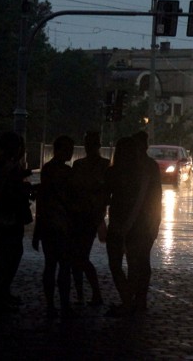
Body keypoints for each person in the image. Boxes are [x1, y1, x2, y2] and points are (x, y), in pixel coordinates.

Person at [104, 132, 162, 317]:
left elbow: (104, 197)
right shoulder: (146, 170)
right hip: (141, 224)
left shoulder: (113, 172)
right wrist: (155, 222)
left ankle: (129, 300)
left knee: (118, 264)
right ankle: (136, 300)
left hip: (119, 223)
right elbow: (156, 197)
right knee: (139, 264)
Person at [0, 131, 33, 314]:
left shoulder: (6, 162)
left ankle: (3, 293)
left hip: (9, 213)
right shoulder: (5, 163)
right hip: (7, 214)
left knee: (11, 254)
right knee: (7, 256)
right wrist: (12, 187)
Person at [32, 135, 77, 319]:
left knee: (50, 265)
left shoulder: (47, 170)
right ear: (59, 150)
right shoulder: (67, 172)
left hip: (49, 224)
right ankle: (64, 303)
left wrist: (37, 230)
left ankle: (51, 303)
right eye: (68, 149)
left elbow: (42, 201)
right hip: (63, 224)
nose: (70, 153)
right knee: (64, 266)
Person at [70, 131, 109, 306]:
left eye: (91, 144)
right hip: (81, 215)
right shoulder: (101, 165)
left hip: (89, 216)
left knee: (80, 256)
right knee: (78, 256)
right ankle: (88, 294)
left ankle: (89, 294)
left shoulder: (86, 166)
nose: (88, 147)